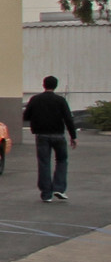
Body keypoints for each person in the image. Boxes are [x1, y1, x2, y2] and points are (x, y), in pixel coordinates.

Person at [22, 75, 79, 203]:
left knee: (44, 162)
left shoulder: (35, 99)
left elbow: (26, 116)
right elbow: (68, 119)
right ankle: (59, 187)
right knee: (62, 160)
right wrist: (73, 136)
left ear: (44, 85)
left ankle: (46, 194)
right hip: (58, 134)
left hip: (41, 135)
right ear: (56, 86)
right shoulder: (60, 100)